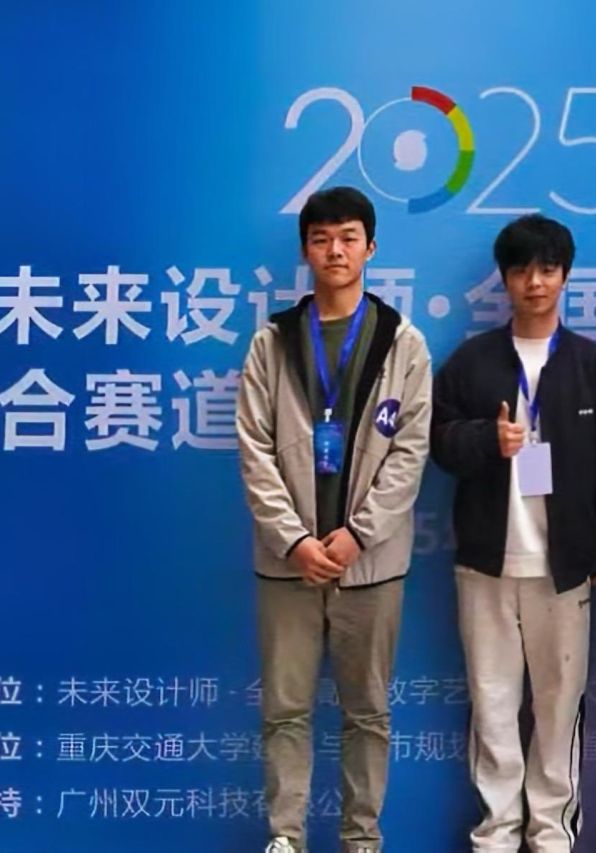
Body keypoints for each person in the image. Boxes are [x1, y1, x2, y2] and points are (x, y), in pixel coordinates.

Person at [236, 186, 433, 853]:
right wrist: (294, 540)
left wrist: (358, 534)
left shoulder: (403, 342)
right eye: (321, 239)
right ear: (306, 251)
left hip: (370, 565)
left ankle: (361, 839)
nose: (335, 250)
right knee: (284, 709)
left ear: (370, 247)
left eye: (348, 237)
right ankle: (285, 836)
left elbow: (409, 452)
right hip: (286, 565)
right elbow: (254, 448)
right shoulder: (272, 342)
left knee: (367, 712)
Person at [431, 214, 596, 853]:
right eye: (520, 270)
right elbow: (439, 443)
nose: (534, 282)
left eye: (547, 269)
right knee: (491, 704)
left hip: (564, 568)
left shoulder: (593, 365)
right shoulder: (472, 361)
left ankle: (551, 835)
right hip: (486, 563)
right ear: (505, 279)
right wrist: (488, 439)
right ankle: (496, 834)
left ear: (565, 276)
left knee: (560, 705)